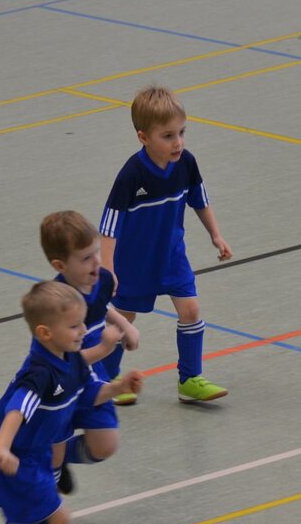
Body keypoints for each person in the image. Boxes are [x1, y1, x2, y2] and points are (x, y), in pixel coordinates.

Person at [0, 281, 143, 524]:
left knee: (28, 516)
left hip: (39, 452)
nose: (83, 331)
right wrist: (3, 449)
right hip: (18, 456)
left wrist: (119, 387)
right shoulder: (39, 374)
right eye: (74, 326)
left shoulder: (71, 361)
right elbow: (16, 410)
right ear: (45, 333)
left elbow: (89, 393)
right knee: (57, 519)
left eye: (82, 323)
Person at [98, 84, 233, 405]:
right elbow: (109, 226)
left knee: (191, 310)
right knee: (123, 321)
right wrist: (108, 269)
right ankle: (106, 379)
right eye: (168, 136)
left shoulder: (186, 164)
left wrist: (216, 234)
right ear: (143, 137)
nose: (178, 142)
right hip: (134, 264)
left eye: (182, 132)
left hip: (172, 257)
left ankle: (190, 379)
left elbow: (200, 200)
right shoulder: (131, 175)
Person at [40, 209, 139, 495]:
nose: (96, 262)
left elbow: (100, 307)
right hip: (62, 383)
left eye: (96, 252)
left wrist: (124, 326)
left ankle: (55, 459)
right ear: (60, 265)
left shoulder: (102, 279)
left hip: (94, 374)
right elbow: (64, 363)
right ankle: (46, 507)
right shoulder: (56, 303)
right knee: (54, 453)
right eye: (85, 258)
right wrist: (104, 347)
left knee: (105, 445)